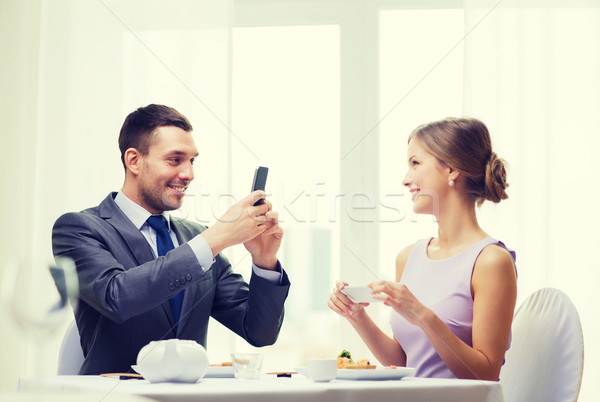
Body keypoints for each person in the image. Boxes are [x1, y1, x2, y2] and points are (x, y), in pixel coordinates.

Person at [52, 104, 290, 375]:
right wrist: (216, 238)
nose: (189, 174)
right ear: (134, 161)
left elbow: (259, 332)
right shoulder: (79, 228)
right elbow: (116, 297)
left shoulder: (196, 238)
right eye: (175, 159)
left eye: (192, 160)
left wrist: (265, 261)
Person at [328, 117, 517, 380]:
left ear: (452, 169)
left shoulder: (491, 261)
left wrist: (420, 314)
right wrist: (357, 316)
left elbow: (485, 373)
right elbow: (405, 363)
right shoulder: (407, 258)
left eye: (415, 163)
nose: (406, 180)